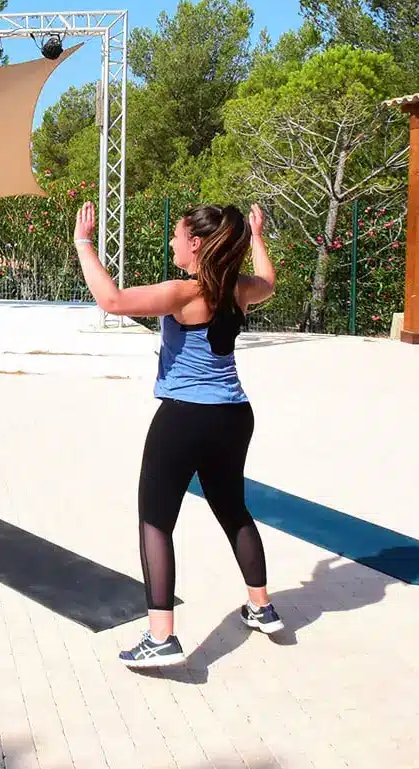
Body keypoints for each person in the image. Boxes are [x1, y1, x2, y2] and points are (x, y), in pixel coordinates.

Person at [72, 199, 281, 668]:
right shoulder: (237, 289)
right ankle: (262, 606)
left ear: (197, 244)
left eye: (178, 234)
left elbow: (112, 300)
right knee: (234, 510)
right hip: (234, 415)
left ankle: (161, 635)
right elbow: (268, 281)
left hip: (185, 418)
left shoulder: (185, 293)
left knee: (155, 520)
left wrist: (84, 243)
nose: (172, 241)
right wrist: (258, 236)